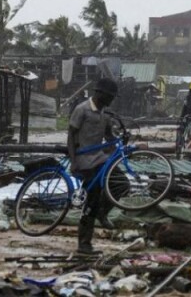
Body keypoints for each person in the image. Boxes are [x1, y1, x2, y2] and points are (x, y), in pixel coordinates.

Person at [68, 78, 127, 255]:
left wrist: (119, 144)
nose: (111, 100)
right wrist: (73, 162)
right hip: (84, 159)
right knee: (91, 199)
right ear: (100, 94)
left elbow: (109, 138)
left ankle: (103, 212)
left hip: (100, 158)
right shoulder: (82, 110)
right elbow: (71, 136)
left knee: (122, 184)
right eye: (110, 97)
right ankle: (84, 243)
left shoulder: (105, 114)